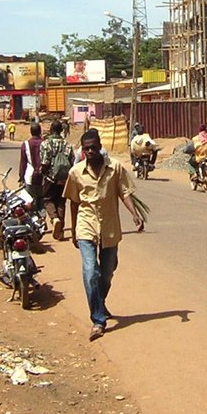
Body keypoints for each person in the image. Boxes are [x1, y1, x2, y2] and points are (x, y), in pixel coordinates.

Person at [63, 128, 145, 341]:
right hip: (85, 226)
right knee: (91, 272)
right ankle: (98, 320)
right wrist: (73, 231)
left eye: (93, 147)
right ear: (83, 150)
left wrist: (135, 215)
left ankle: (99, 302)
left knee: (107, 272)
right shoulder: (76, 173)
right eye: (86, 148)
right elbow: (73, 202)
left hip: (109, 227)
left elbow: (125, 193)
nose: (90, 151)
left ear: (100, 147)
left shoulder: (115, 168)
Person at [40, 119, 75, 240]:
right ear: (61, 131)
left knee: (47, 199)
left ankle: (54, 218)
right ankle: (60, 233)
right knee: (61, 202)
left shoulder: (45, 144)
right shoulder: (68, 145)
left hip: (50, 178)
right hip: (64, 179)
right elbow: (72, 162)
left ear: (51, 130)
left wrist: (43, 172)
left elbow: (44, 162)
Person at [20, 122, 44, 210]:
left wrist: (21, 178)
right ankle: (42, 218)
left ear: (31, 132)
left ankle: (33, 220)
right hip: (43, 178)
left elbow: (23, 163)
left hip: (29, 177)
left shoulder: (25, 144)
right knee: (42, 200)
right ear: (40, 132)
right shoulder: (45, 143)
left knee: (30, 201)